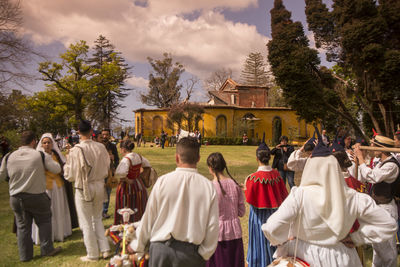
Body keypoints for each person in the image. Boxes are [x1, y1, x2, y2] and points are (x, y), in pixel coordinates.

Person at [262, 134, 397, 267]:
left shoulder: (299, 195)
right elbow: (388, 224)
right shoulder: (352, 196)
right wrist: (358, 238)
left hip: (305, 255)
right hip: (342, 257)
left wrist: (285, 238)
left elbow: (271, 228)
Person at [129, 137, 219, 267]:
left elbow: (149, 217)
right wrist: (205, 252)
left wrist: (138, 244)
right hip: (191, 254)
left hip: (162, 250)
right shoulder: (207, 186)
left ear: (177, 158)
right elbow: (213, 225)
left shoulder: (163, 182)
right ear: (199, 158)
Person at [0, 131, 62, 262]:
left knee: (22, 227)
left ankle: (25, 256)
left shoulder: (8, 156)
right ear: (34, 141)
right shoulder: (40, 155)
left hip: (16, 196)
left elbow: (2, 175)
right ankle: (47, 249)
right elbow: (57, 169)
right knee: (44, 221)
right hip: (36, 195)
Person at [64, 120, 111, 262]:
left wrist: (67, 160)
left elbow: (69, 176)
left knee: (86, 221)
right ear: (91, 131)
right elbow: (107, 165)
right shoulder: (101, 147)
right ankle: (105, 248)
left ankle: (92, 253)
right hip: (98, 184)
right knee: (97, 218)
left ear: (78, 132)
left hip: (84, 186)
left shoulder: (75, 150)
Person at [354, 134, 399, 267]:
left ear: (382, 149)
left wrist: (361, 158)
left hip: (386, 210)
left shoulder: (392, 165)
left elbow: (373, 177)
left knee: (388, 251)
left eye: (374, 146)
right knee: (378, 249)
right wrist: (359, 158)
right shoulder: (380, 163)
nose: (372, 148)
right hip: (378, 208)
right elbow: (364, 176)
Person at [244, 134, 288, 267]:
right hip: (275, 216)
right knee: (273, 240)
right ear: (269, 157)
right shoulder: (277, 176)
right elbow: (283, 195)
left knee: (259, 240)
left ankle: (258, 262)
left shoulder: (253, 178)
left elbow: (249, 197)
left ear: (257, 158)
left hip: (258, 217)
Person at [32, 133, 78, 245]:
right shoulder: (38, 156)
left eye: (49, 142)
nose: (47, 144)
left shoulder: (56, 155)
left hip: (58, 186)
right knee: (47, 211)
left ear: (52, 143)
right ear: (41, 144)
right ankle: (46, 235)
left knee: (58, 208)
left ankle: (60, 231)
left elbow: (63, 168)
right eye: (44, 142)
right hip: (44, 187)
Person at [206, 152, 245, 267]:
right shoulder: (234, 184)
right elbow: (241, 212)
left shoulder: (209, 187)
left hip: (215, 235)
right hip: (235, 234)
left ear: (210, 168)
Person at [114, 139, 151, 224]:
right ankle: (139, 225)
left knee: (126, 205)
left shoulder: (126, 159)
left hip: (127, 187)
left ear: (123, 149)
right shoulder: (138, 156)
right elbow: (147, 165)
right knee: (138, 205)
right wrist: (140, 175)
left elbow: (120, 173)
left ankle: (125, 225)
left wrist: (127, 179)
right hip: (139, 185)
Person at [102, 128, 119, 219]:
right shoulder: (98, 146)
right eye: (103, 135)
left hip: (109, 172)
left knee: (108, 192)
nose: (105, 136)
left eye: (106, 135)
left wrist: (114, 167)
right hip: (99, 172)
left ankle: (104, 211)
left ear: (109, 135)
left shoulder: (112, 146)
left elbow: (117, 159)